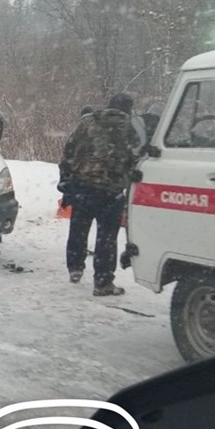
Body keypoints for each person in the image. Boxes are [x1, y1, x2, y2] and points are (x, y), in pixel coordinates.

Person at [58, 93, 140, 296]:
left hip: (83, 187)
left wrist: (67, 179)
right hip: (111, 191)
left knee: (78, 228)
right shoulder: (130, 129)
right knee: (106, 238)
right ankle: (102, 283)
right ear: (128, 109)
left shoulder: (88, 123)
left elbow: (69, 152)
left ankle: (75, 267)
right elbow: (136, 159)